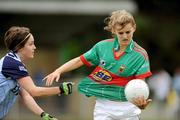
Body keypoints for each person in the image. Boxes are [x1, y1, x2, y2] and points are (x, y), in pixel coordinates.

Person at [44, 10, 152, 120]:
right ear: (114, 31)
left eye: (128, 32)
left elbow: (140, 84)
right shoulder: (102, 47)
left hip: (128, 108)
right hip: (103, 106)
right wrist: (58, 71)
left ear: (134, 28)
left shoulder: (140, 55)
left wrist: (140, 100)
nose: (125, 36)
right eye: (121, 33)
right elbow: (79, 61)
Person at [0, 26, 74, 120]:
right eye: (31, 44)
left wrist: (43, 114)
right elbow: (34, 91)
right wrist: (60, 89)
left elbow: (26, 95)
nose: (34, 47)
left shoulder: (14, 63)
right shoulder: (13, 63)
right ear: (19, 47)